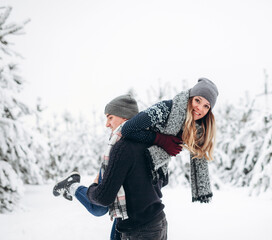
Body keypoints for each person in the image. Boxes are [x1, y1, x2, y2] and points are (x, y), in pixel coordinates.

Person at [86, 78, 219, 239]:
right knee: (102, 207)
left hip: (147, 221)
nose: (200, 108)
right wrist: (162, 140)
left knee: (112, 205)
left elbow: (191, 155)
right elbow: (129, 129)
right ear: (190, 97)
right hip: (146, 218)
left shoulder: (193, 126)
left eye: (206, 106)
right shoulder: (166, 108)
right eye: (198, 100)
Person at [52, 94, 139, 240]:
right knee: (98, 207)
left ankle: (72, 185)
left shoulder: (136, 140)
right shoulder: (118, 143)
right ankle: (73, 185)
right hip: (129, 212)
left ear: (125, 117)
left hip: (132, 213)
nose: (106, 124)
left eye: (110, 117)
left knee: (98, 208)